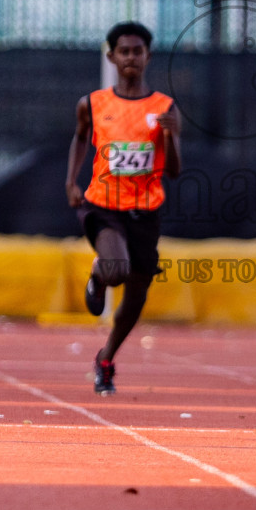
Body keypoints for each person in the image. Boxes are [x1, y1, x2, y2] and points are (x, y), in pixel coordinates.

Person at [66, 21, 180, 396]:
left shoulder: (164, 108)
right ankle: (98, 276)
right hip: (103, 205)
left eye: (138, 51)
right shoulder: (94, 103)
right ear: (111, 55)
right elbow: (80, 137)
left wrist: (170, 136)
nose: (131, 57)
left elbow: (175, 170)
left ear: (148, 56)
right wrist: (72, 181)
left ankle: (106, 357)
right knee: (116, 269)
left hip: (145, 211)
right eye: (124, 51)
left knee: (136, 296)